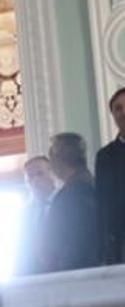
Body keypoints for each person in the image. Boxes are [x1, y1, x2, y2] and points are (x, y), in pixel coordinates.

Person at [41, 131, 104, 272]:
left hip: (73, 274)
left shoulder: (67, 197)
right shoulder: (99, 187)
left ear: (57, 162)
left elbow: (56, 245)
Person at [92, 86, 125, 265]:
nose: (123, 112)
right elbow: (102, 205)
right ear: (113, 115)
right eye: (118, 108)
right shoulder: (104, 157)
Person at [16, 155, 56, 275]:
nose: (35, 180)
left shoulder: (66, 203)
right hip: (32, 276)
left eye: (40, 174)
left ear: (52, 174)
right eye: (30, 177)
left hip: (65, 273)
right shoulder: (24, 214)